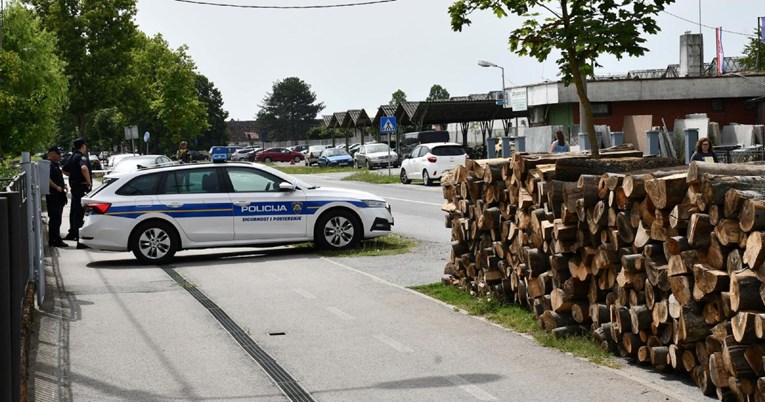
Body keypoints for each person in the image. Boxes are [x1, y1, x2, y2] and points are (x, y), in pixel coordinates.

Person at [63, 138, 92, 242]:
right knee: (80, 211)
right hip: (82, 187)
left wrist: (74, 175)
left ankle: (72, 232)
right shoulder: (81, 157)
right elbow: (84, 168)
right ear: (83, 146)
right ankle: (78, 233)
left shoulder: (71, 157)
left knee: (74, 211)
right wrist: (88, 181)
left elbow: (64, 170)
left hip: (74, 187)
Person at [46, 146, 68, 247]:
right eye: (57, 154)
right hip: (54, 196)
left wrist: (63, 186)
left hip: (58, 196)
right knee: (55, 218)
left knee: (57, 218)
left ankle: (54, 239)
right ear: (51, 153)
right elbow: (47, 179)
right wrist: (56, 187)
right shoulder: (49, 165)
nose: (59, 156)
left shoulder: (54, 165)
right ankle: (55, 239)